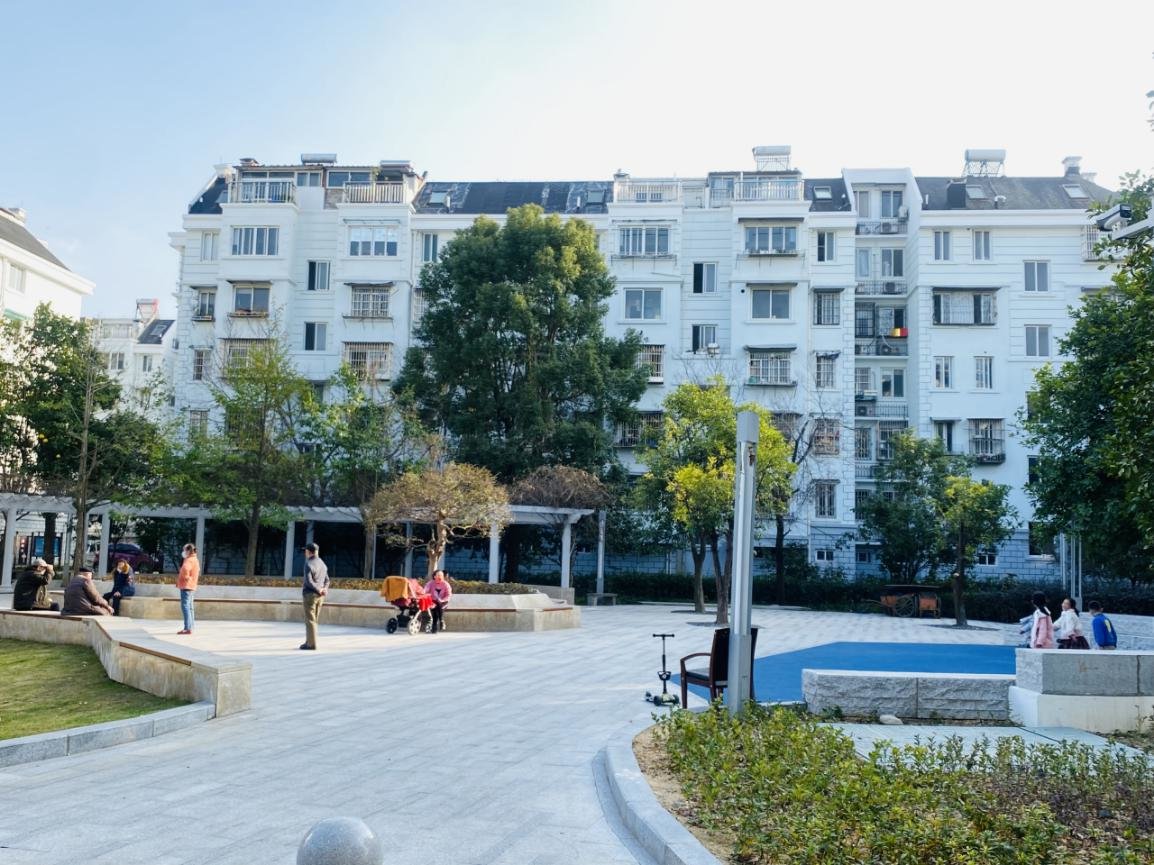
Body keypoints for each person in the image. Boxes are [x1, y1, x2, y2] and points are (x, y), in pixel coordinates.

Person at [300, 542, 329, 650]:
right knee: (314, 620)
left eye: (305, 551)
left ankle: (311, 644)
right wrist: (324, 589)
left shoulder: (308, 564)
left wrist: (318, 589)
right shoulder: (322, 564)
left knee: (310, 620)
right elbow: (327, 580)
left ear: (308, 552)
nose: (305, 553)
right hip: (320, 596)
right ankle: (309, 641)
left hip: (310, 595)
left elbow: (308, 582)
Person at [176, 543, 200, 635]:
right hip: (191, 586)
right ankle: (191, 627)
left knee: (185, 607)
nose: (183, 552)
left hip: (186, 586)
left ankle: (187, 628)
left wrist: (186, 578)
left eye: (184, 550)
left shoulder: (189, 560)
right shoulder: (195, 559)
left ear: (189, 551)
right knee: (190, 607)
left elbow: (185, 569)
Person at [425, 569, 453, 634]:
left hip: (444, 602)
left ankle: (440, 621)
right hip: (433, 601)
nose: (440, 577)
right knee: (435, 608)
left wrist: (442, 600)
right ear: (434, 576)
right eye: (438, 575)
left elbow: (449, 595)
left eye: (441, 575)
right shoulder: (430, 583)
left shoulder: (446, 584)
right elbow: (425, 589)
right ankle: (440, 622)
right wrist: (422, 593)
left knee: (438, 605)